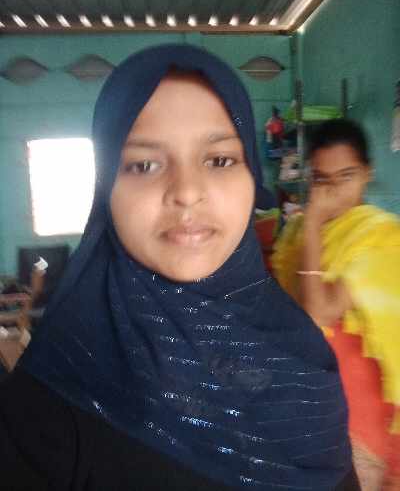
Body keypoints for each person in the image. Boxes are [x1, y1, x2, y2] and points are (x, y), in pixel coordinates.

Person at [0, 45, 358, 490]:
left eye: (219, 160)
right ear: (106, 188)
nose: (187, 192)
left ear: (252, 178)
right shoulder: (62, 380)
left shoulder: (300, 351)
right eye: (144, 164)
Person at [271, 119, 400, 490]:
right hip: (311, 402)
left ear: (367, 173)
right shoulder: (296, 233)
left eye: (346, 176)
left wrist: (312, 223)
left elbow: (318, 316)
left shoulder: (380, 235)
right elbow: (290, 317)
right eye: (322, 179)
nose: (333, 192)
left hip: (364, 410)